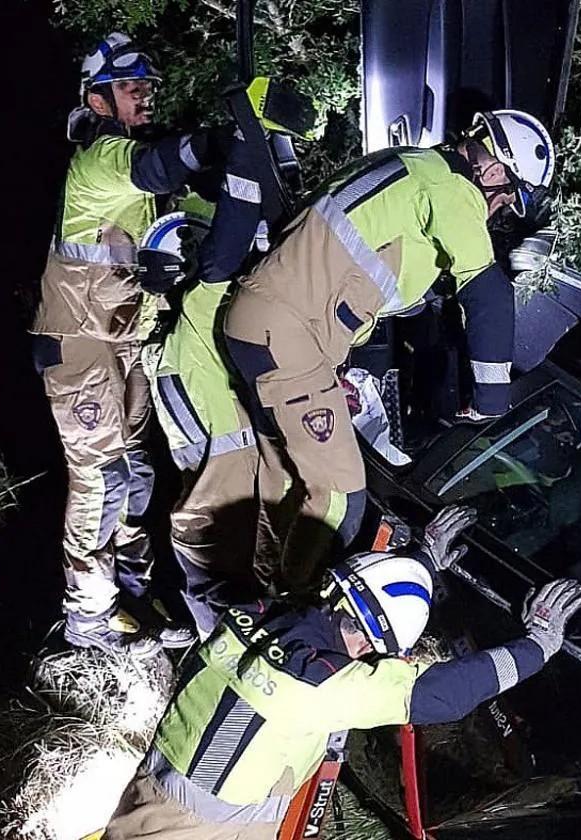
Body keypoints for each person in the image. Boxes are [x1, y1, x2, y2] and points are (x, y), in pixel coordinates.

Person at [103, 504, 581, 839]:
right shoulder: (321, 686)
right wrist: (536, 647)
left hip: (154, 787)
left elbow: (373, 599)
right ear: (375, 645)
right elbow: (444, 695)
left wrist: (421, 563)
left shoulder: (265, 613)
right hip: (205, 825)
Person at [222, 110, 556, 571]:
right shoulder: (453, 189)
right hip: (287, 333)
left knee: (286, 479)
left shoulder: (410, 163)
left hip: (267, 325)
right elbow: (489, 295)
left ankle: (257, 589)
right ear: (494, 171)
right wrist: (491, 400)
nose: (499, 211)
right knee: (341, 501)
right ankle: (293, 611)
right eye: (507, 198)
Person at [31, 32, 223, 657]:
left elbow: (191, 206)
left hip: (126, 345)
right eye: (132, 87)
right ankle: (89, 617)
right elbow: (162, 164)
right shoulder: (101, 159)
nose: (145, 98)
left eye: (147, 88)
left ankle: (132, 596)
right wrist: (219, 138)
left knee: (138, 475)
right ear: (98, 97)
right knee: (102, 479)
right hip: (79, 346)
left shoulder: (141, 174)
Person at [137, 83, 311, 639]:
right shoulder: (198, 309)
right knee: (236, 638)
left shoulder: (173, 330)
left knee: (233, 630)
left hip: (216, 524)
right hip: (220, 528)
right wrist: (247, 142)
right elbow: (235, 238)